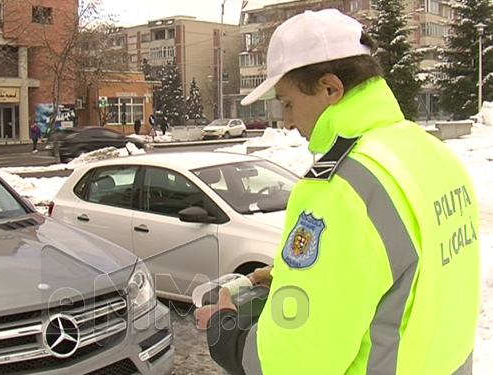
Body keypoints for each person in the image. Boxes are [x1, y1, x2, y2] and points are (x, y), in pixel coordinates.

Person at [195, 9, 480, 375]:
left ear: (331, 88)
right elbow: (396, 274)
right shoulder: (431, 153)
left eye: (288, 103)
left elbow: (291, 363)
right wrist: (288, 274)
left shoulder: (342, 189)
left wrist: (224, 329)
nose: (288, 122)